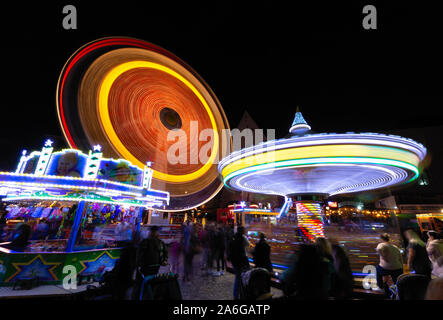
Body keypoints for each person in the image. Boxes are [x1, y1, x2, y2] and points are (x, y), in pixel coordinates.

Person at [227, 226, 251, 299]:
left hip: (235, 261)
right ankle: (243, 294)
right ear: (242, 231)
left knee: (237, 278)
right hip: (242, 261)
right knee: (244, 278)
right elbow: (248, 244)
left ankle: (236, 295)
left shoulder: (233, 237)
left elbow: (229, 247)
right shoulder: (243, 238)